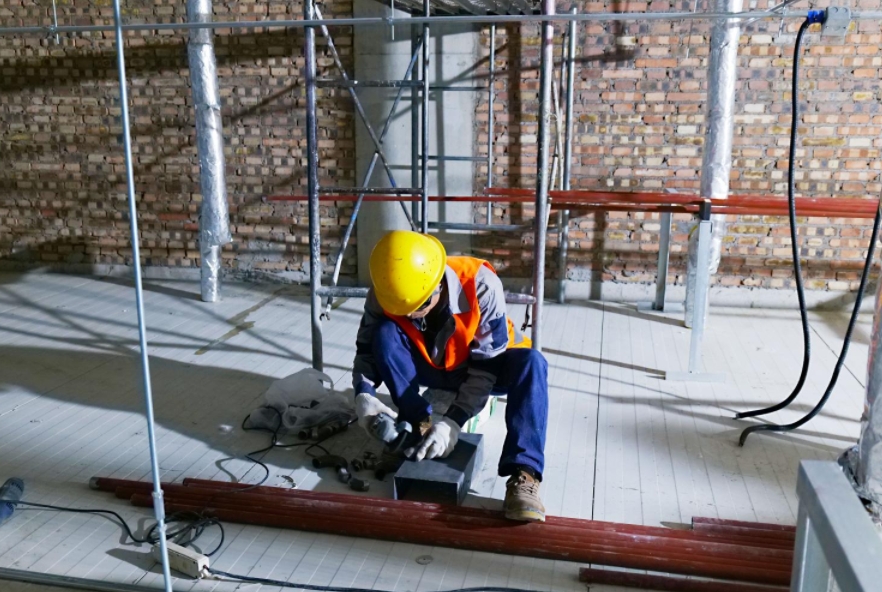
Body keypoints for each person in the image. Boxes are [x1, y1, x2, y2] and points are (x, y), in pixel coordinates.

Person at [351, 230, 549, 522]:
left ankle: (524, 474)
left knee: (532, 363)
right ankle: (418, 425)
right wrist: (363, 393)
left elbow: (487, 368)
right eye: (401, 311)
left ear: (437, 287)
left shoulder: (481, 285)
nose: (410, 317)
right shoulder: (386, 290)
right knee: (384, 333)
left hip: (486, 367)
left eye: (417, 309)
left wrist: (453, 423)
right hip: (434, 366)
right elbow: (367, 349)